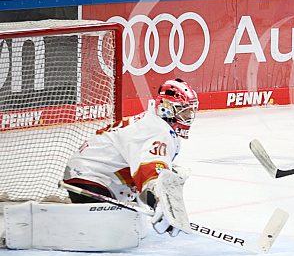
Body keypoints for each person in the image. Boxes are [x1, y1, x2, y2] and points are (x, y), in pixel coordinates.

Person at [63, 78, 199, 237]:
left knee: (172, 174)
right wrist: (162, 203)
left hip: (92, 175)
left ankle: (70, 207)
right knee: (109, 235)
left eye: (191, 110)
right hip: (89, 180)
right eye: (184, 110)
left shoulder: (158, 125)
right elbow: (148, 171)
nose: (190, 115)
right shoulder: (158, 130)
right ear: (167, 109)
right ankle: (67, 211)